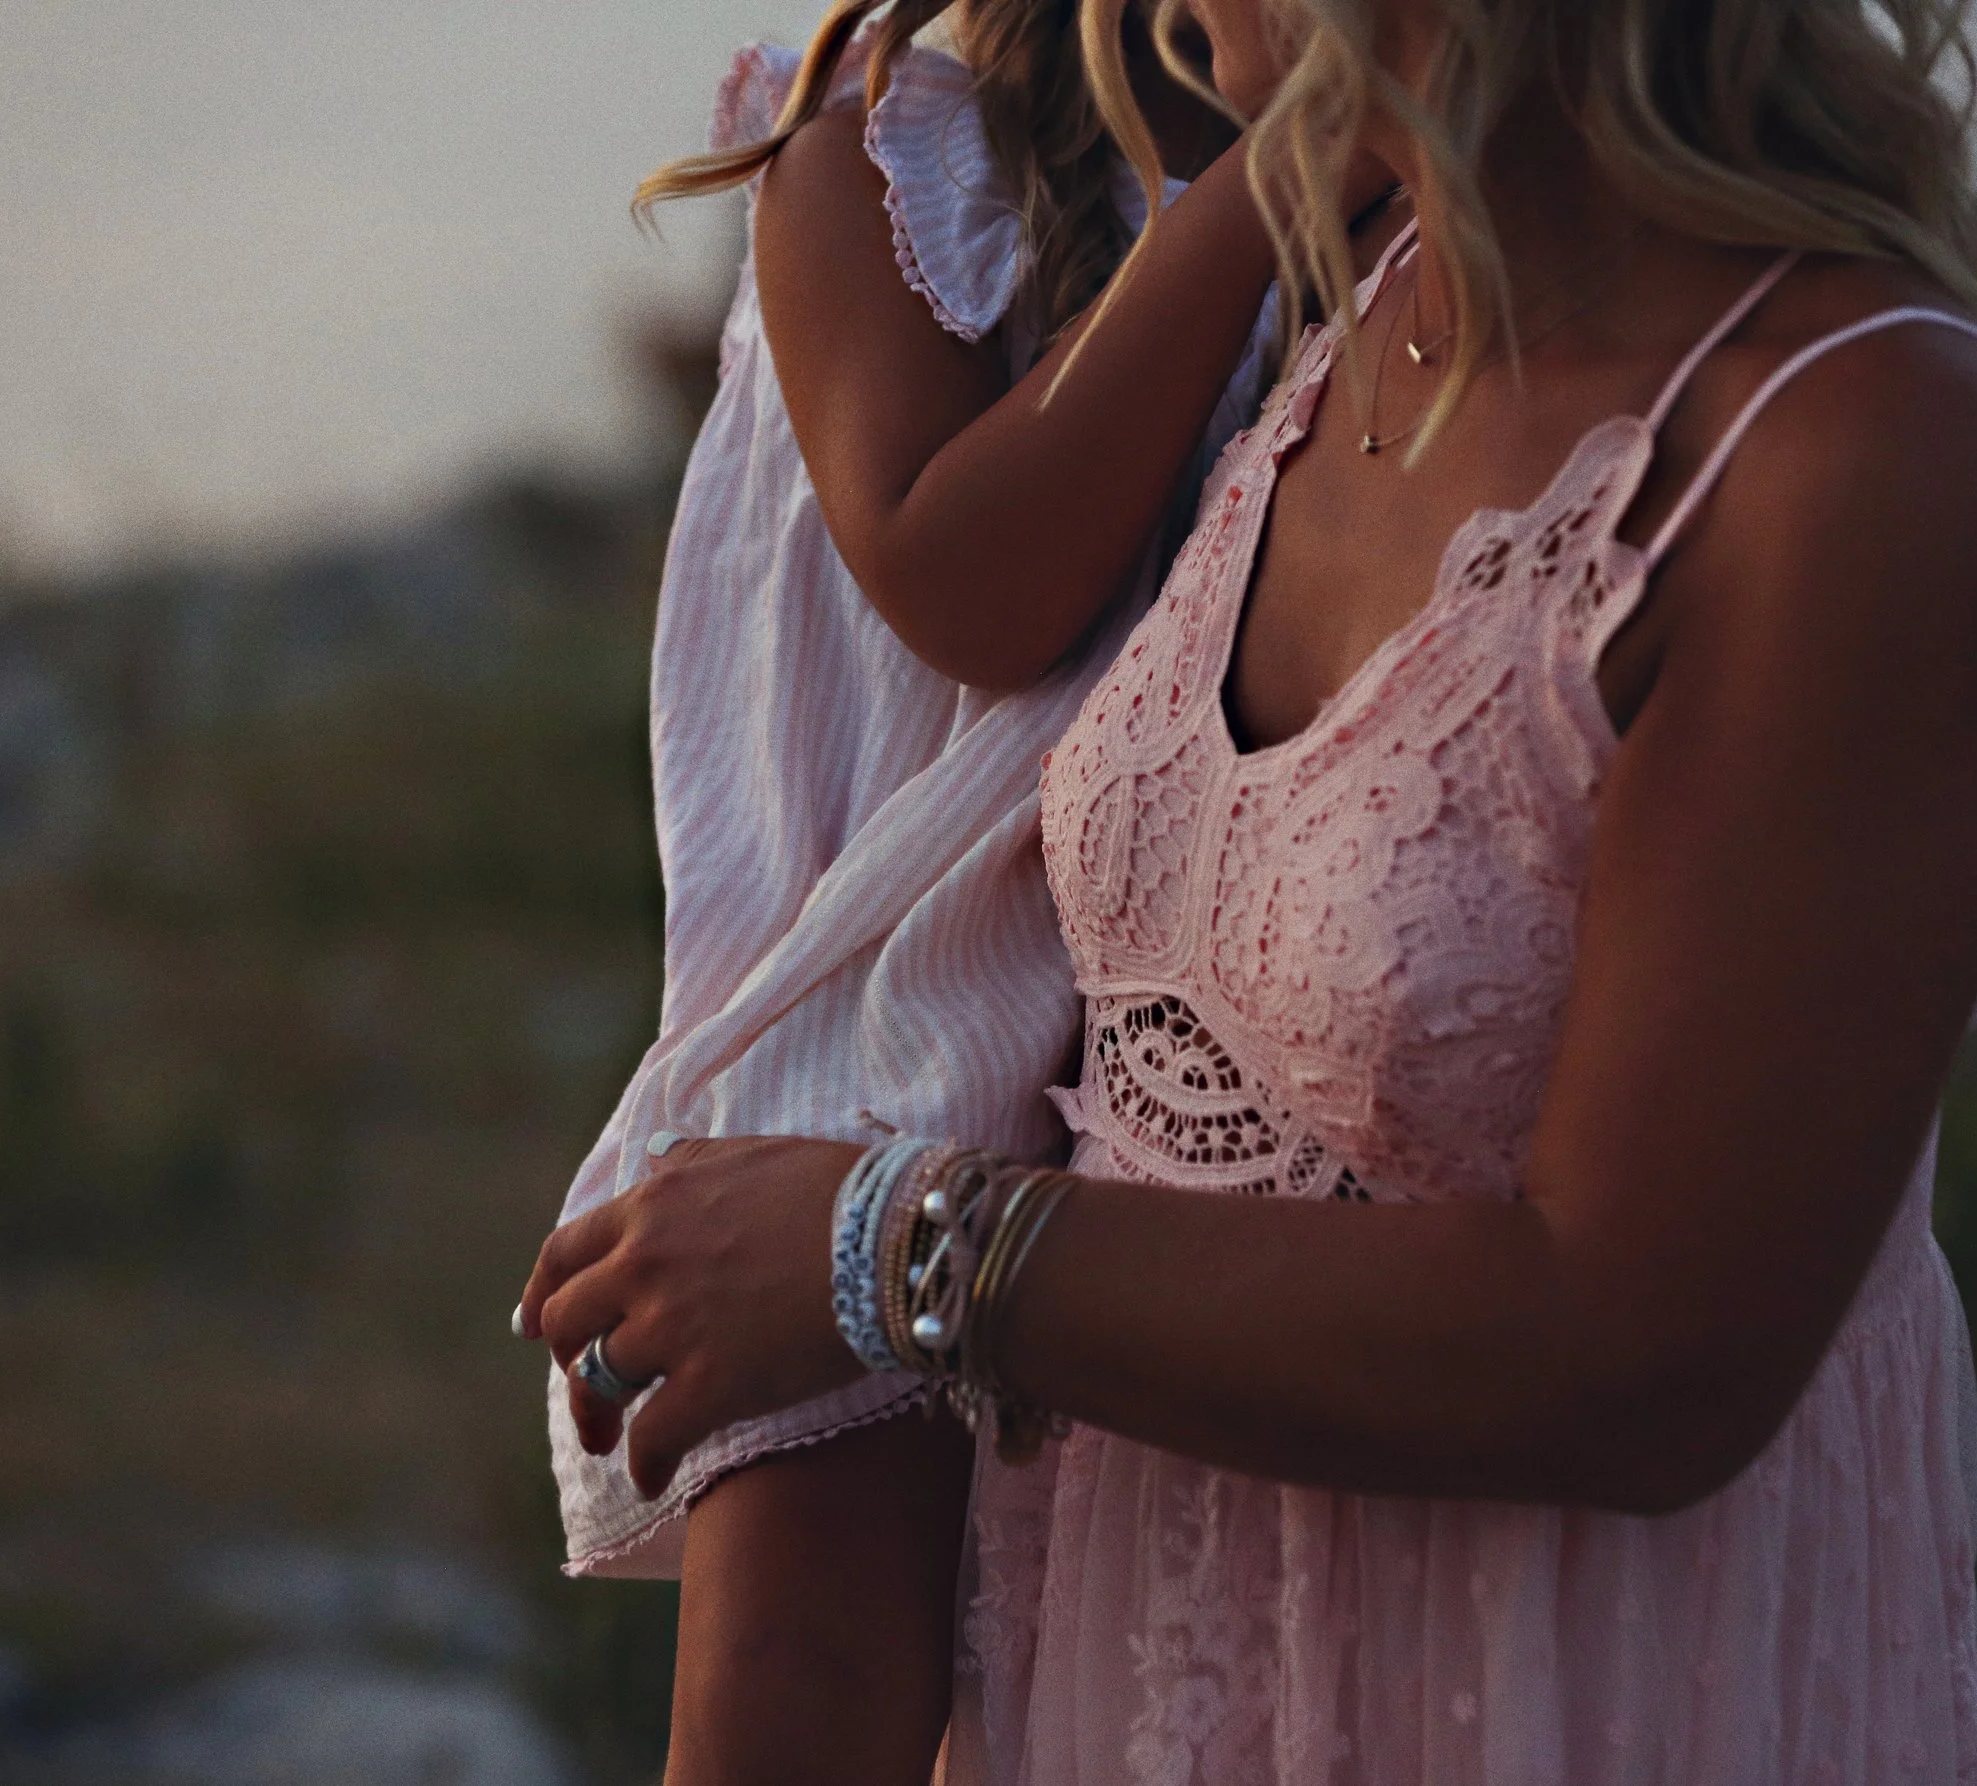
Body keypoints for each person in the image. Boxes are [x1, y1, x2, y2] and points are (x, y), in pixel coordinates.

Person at [520, 0, 1977, 1777]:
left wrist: (891, 1250)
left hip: (1582, 1700)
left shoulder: (1855, 447)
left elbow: (1649, 1352)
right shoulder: (1350, 307)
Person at [517, 2, 1386, 1778]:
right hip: (894, 1012)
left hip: (1178, 1028)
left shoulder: (1381, 185)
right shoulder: (877, 154)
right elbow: (967, 578)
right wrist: (1273, 184)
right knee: (817, 1681)